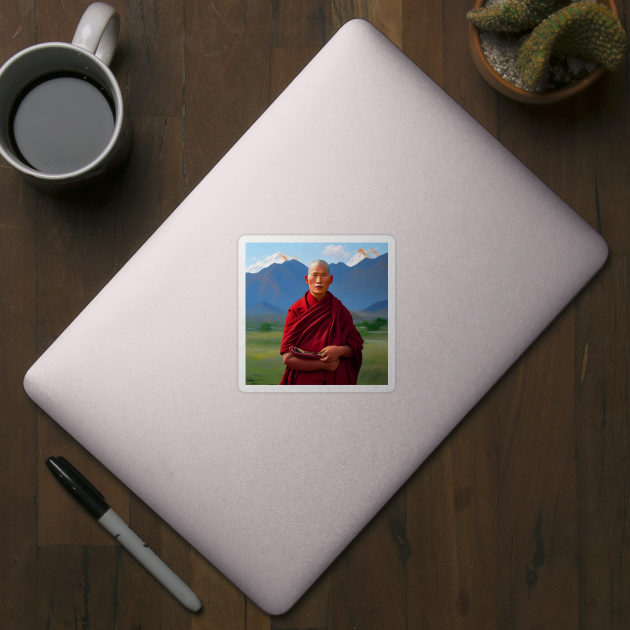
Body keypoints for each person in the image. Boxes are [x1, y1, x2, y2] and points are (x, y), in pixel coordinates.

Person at [279, 260, 364, 385]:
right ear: (307, 279)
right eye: (314, 275)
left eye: (323, 275)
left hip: (336, 379)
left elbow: (356, 345)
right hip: (305, 379)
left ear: (330, 280)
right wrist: (322, 364)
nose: (318, 280)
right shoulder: (296, 310)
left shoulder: (340, 310)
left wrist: (340, 350)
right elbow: (288, 358)